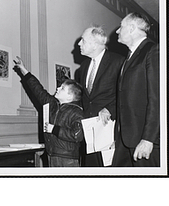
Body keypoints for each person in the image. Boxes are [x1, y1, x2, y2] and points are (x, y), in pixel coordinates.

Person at [13, 56, 84, 167]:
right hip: (51, 155)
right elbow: (37, 89)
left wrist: (54, 129)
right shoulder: (52, 104)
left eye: (62, 89)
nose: (57, 89)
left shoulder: (77, 112)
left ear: (70, 96)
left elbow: (77, 135)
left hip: (67, 159)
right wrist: (23, 70)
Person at [112, 12, 159, 167]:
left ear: (132, 28)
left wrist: (148, 139)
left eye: (121, 27)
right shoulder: (128, 58)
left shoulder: (153, 51)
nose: (117, 31)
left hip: (143, 140)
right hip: (125, 140)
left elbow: (157, 99)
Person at [78, 25, 124, 166]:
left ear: (95, 43)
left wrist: (110, 108)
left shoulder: (119, 61)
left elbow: (126, 93)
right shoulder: (83, 68)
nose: (79, 43)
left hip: (109, 129)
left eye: (83, 40)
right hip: (89, 132)